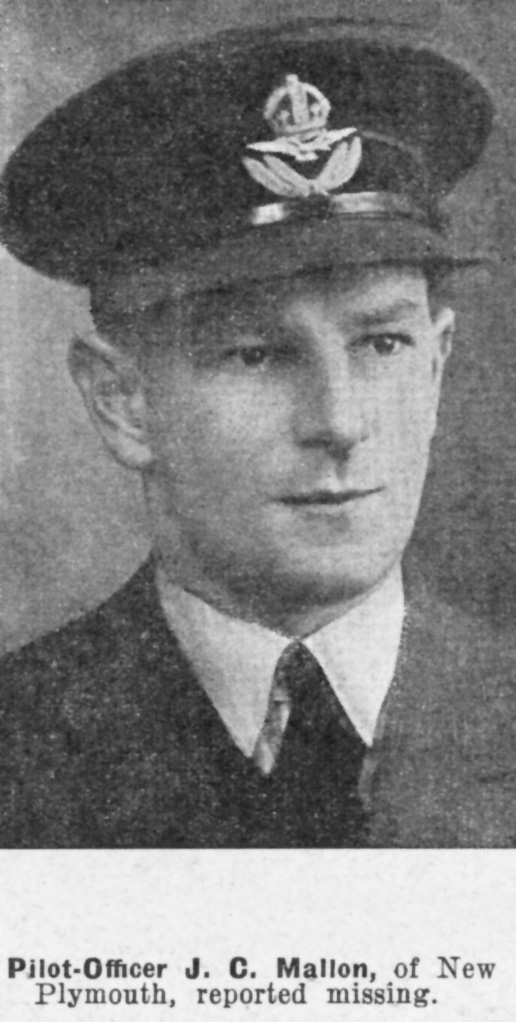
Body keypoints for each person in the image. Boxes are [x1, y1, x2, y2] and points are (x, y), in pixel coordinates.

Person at [1, 21, 515, 849]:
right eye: (256, 354)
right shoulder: (20, 745)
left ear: (436, 367)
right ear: (122, 401)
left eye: (383, 344)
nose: (338, 422)